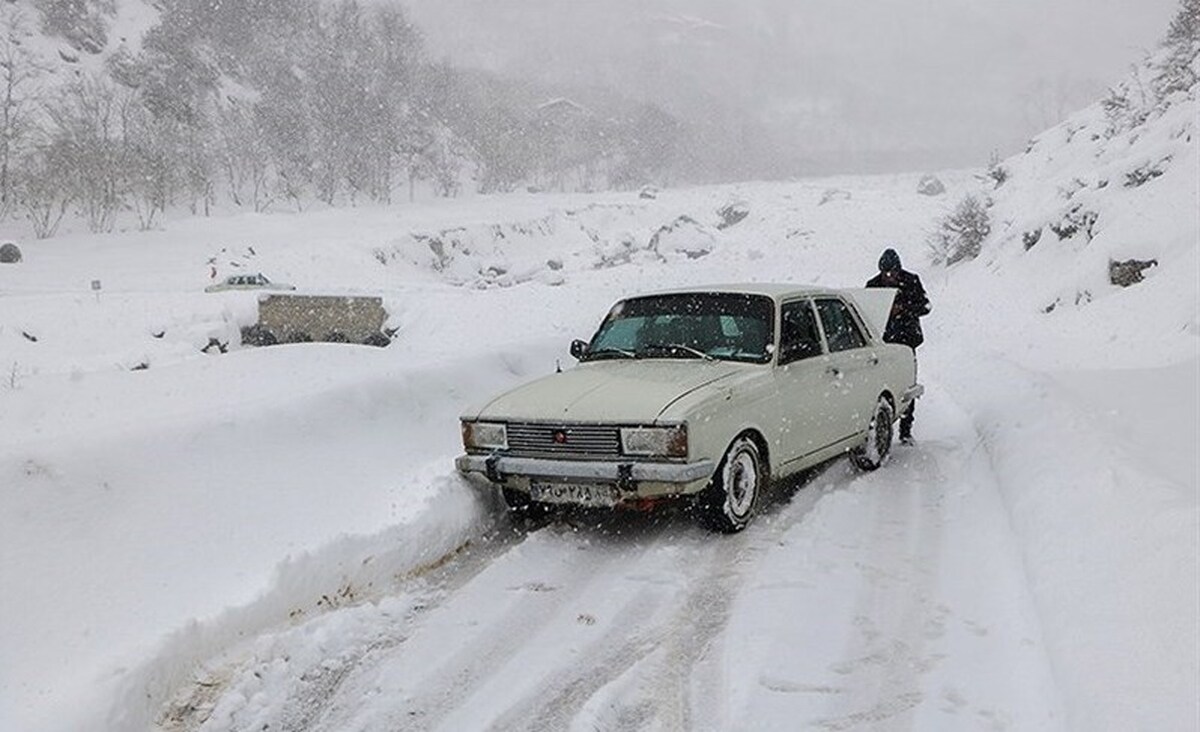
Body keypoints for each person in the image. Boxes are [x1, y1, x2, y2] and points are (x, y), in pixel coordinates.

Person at [865, 248, 930, 443]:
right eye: (885, 272)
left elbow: (925, 306)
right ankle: (880, 429)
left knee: (906, 386)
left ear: (899, 270)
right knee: (880, 387)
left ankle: (905, 430)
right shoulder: (873, 285)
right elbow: (866, 311)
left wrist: (903, 309)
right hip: (882, 342)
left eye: (892, 272)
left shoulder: (912, 281)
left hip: (907, 342)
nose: (889, 276)